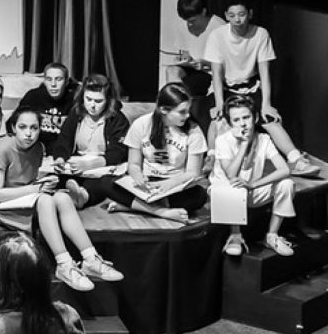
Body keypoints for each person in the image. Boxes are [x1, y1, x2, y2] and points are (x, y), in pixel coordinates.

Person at [0, 107, 123, 292]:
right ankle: (64, 263)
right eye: (23, 127)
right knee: (45, 200)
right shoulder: (3, 148)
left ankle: (90, 258)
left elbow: (26, 181)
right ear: (13, 128)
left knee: (62, 197)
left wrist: (44, 183)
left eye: (34, 128)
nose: (29, 133)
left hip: (21, 197)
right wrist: (37, 188)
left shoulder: (38, 148)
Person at [204, 0, 318, 177]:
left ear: (250, 13)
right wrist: (218, 103)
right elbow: (216, 74)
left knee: (270, 120)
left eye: (241, 14)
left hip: (251, 87)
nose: (237, 19)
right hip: (225, 89)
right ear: (226, 16)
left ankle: (295, 159)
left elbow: (264, 72)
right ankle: (211, 157)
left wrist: (266, 103)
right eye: (232, 15)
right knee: (219, 121)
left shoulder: (260, 34)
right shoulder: (217, 36)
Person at [107, 83, 208, 223]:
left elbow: (193, 172)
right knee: (106, 183)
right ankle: (162, 212)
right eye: (182, 111)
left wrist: (169, 184)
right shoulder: (141, 124)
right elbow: (134, 164)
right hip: (148, 182)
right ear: (164, 110)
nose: (188, 115)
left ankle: (135, 206)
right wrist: (138, 176)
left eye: (188, 110)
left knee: (199, 196)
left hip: (175, 185)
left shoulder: (193, 130)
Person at [211, 95, 296, 257]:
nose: (242, 123)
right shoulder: (223, 140)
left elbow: (284, 169)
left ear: (255, 117)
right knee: (234, 184)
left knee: (286, 184)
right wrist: (244, 144)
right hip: (226, 195)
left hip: (250, 189)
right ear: (229, 123)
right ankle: (235, 236)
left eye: (246, 117)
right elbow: (231, 174)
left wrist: (255, 184)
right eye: (236, 120)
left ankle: (272, 235)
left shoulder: (263, 139)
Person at [50, 74, 131, 209]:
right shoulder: (76, 113)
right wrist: (60, 159)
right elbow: (64, 140)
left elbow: (118, 152)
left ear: (108, 100)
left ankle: (82, 197)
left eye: (98, 101)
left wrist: (90, 164)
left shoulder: (117, 119)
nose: (92, 105)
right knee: (55, 179)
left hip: (103, 167)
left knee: (103, 183)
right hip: (78, 165)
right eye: (88, 99)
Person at [166, 0, 226, 134]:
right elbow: (183, 51)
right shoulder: (184, 26)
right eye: (186, 20)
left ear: (203, 12)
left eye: (193, 20)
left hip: (212, 72)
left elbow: (225, 63)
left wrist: (204, 63)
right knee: (171, 71)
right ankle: (177, 107)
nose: (189, 24)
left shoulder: (219, 27)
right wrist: (184, 60)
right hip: (193, 69)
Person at [19, 62, 81, 154]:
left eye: (58, 79)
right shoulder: (33, 96)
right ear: (44, 81)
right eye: (49, 79)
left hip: (65, 152)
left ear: (67, 81)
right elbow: (15, 123)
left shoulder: (75, 100)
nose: (53, 84)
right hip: (34, 150)